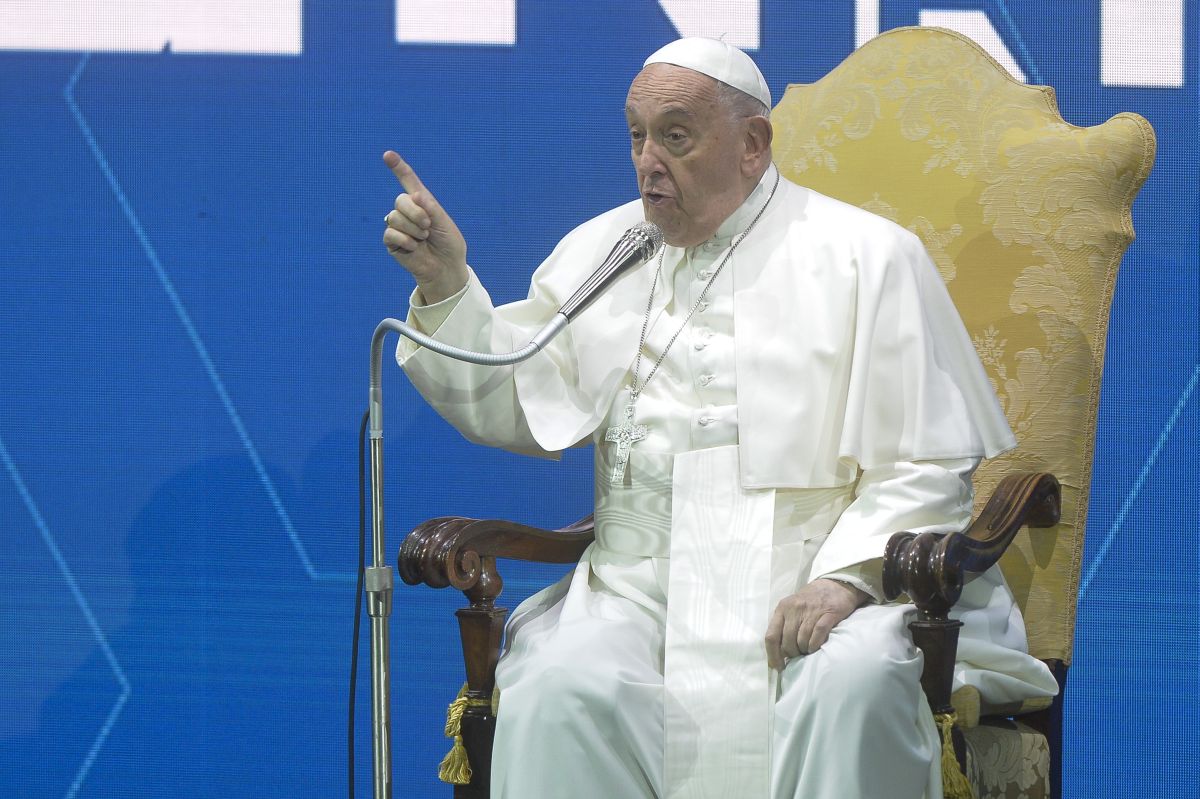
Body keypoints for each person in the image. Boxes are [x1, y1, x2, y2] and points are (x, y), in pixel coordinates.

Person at [382, 37, 1057, 799]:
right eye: (637, 135)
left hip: (817, 580)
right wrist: (447, 286)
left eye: (675, 137)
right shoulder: (608, 250)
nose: (647, 162)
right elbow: (516, 392)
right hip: (638, 588)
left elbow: (925, 462)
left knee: (854, 684)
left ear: (752, 143)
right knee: (559, 686)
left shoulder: (868, 255)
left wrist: (845, 581)